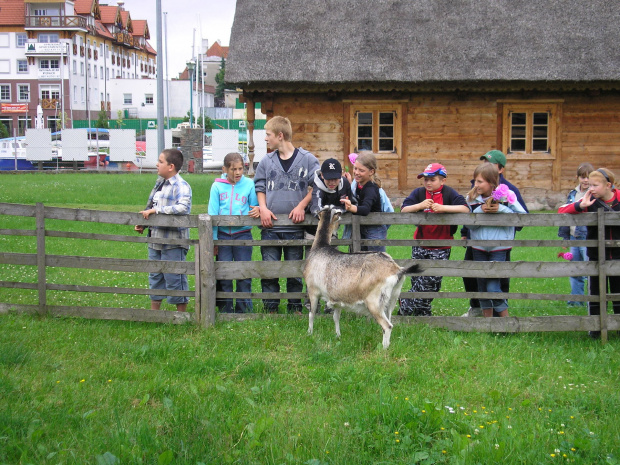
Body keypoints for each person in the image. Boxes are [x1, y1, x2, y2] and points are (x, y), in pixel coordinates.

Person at [253, 116, 320, 313]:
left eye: (268, 135)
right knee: (270, 271)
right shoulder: (266, 161)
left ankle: (295, 307)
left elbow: (317, 185)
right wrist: (263, 208)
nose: (266, 139)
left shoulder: (307, 159)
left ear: (280, 136)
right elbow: (260, 186)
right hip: (270, 227)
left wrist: (301, 206)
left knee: (295, 271)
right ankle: (271, 308)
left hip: (294, 228)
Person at [462, 150, 529, 317]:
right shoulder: (473, 198)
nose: (475, 184)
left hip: (499, 247)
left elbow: (522, 219)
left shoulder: (509, 194)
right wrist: (480, 213)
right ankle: (488, 321)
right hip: (478, 247)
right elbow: (471, 225)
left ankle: (504, 320)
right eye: (475, 180)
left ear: (493, 180)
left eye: (479, 181)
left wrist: (502, 209)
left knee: (494, 284)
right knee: (482, 285)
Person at [398, 163, 469, 316]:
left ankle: (405, 304)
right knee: (417, 280)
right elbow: (404, 209)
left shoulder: (449, 193)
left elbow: (465, 208)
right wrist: (419, 205)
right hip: (420, 243)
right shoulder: (419, 193)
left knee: (432, 282)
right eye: (425, 180)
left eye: (432, 179)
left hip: (442, 245)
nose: (428, 183)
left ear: (442, 181)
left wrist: (444, 208)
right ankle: (423, 314)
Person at [558, 168, 620, 338]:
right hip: (595, 255)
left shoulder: (619, 198)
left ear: (608, 185)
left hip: (618, 256)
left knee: (617, 291)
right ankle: (595, 328)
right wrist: (580, 205)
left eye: (595, 185)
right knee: (595, 292)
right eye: (589, 185)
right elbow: (562, 211)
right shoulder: (590, 201)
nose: (590, 188)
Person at [135, 148, 192, 312]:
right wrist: (144, 222)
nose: (157, 164)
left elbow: (183, 208)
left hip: (173, 241)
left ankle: (181, 315)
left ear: (171, 166)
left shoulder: (181, 186)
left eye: (160, 162)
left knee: (175, 276)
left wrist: (158, 211)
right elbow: (152, 206)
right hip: (155, 238)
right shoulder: (159, 184)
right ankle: (155, 314)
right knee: (155, 275)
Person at [208, 152, 259, 313]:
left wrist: (257, 208)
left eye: (240, 169)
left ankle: (244, 308)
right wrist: (214, 240)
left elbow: (253, 206)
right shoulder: (217, 186)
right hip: (222, 235)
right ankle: (225, 307)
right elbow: (212, 214)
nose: (237, 173)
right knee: (224, 272)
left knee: (243, 271)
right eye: (233, 169)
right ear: (225, 169)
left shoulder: (249, 184)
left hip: (243, 234)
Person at [557, 162, 594, 306]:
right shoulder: (573, 194)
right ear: (577, 177)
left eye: (588, 178)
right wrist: (565, 238)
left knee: (588, 269)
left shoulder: (592, 194)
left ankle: (592, 300)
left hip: (586, 236)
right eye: (582, 177)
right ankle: (577, 300)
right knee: (574, 269)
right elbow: (565, 215)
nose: (585, 180)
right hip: (574, 236)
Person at [340, 152, 388, 252]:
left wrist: (351, 207)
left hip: (374, 230)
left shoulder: (371, 188)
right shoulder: (358, 185)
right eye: (355, 168)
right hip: (361, 227)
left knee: (375, 261)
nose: (356, 172)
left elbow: (366, 209)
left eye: (361, 170)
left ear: (371, 172)